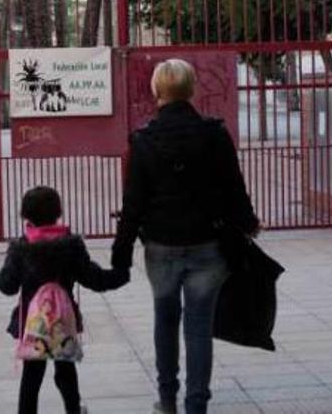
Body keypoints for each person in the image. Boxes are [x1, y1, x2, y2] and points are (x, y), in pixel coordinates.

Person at [111, 59, 260, 414]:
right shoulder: (214, 134)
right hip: (208, 244)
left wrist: (120, 255)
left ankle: (167, 399)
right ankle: (197, 405)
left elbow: (133, 204)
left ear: (156, 90)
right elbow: (233, 188)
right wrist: (248, 223)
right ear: (191, 88)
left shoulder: (144, 140)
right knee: (198, 327)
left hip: (161, 246)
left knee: (165, 320)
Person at [0, 186, 130, 414]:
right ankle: (73, 409)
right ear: (58, 212)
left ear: (25, 215)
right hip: (62, 320)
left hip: (33, 323)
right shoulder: (71, 246)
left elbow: (7, 285)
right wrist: (121, 274)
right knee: (66, 371)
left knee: (32, 376)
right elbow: (93, 278)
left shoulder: (21, 248)